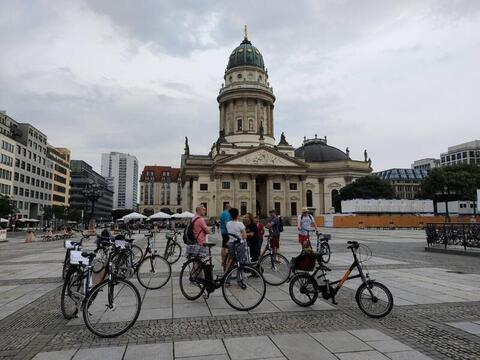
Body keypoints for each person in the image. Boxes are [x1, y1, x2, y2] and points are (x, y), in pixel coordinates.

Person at [225, 207, 247, 272]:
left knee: (230, 260)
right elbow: (245, 236)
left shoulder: (228, 224)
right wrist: (240, 236)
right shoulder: (240, 224)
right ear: (237, 215)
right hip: (239, 244)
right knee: (240, 261)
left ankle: (227, 276)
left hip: (231, 243)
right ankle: (239, 277)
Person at [219, 204, 232, 270]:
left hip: (223, 231)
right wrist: (231, 231)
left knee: (223, 246)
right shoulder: (227, 213)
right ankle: (226, 261)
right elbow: (227, 223)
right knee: (227, 247)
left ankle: (223, 260)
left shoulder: (222, 213)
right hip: (227, 232)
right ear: (228, 208)